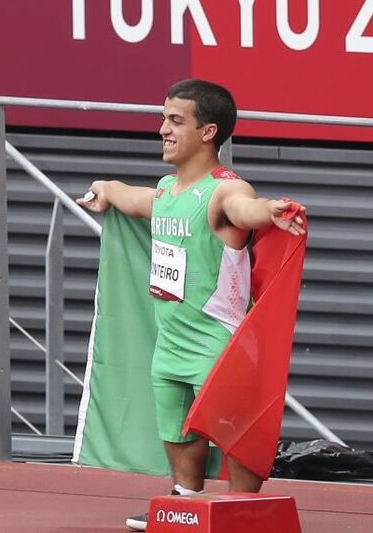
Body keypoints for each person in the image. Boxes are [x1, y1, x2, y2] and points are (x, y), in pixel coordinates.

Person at [76, 79, 305, 532]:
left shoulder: (223, 190)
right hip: (172, 345)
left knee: (237, 432)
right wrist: (105, 187)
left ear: (208, 132)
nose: (162, 129)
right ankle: (185, 501)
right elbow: (132, 198)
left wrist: (269, 212)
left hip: (219, 344)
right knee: (175, 426)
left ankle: (243, 507)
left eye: (175, 121)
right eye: (163, 118)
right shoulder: (166, 192)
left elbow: (245, 208)